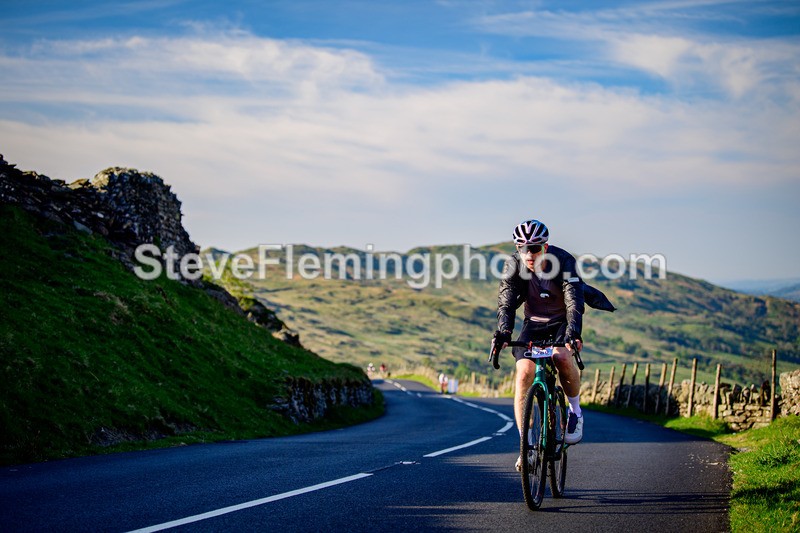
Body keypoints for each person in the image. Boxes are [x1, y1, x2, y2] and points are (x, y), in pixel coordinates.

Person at [492, 219, 614, 471]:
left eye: (534, 248)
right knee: (524, 373)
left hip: (561, 322)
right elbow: (505, 302)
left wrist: (573, 333)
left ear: (545, 247)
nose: (528, 254)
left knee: (560, 357)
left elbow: (574, 301)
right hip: (533, 324)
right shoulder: (514, 265)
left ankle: (575, 411)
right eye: (522, 248)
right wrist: (504, 332)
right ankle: (525, 447)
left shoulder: (564, 262)